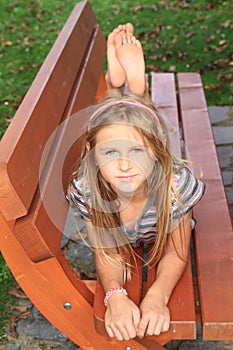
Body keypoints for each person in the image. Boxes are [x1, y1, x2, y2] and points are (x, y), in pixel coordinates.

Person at [67, 23, 205, 341]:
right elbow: (106, 253)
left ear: (156, 153)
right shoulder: (89, 190)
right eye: (110, 152)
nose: (125, 165)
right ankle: (125, 89)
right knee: (124, 123)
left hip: (160, 193)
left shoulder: (176, 187)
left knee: (135, 124)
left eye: (138, 152)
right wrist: (114, 295)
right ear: (92, 153)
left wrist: (157, 296)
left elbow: (176, 252)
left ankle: (131, 90)